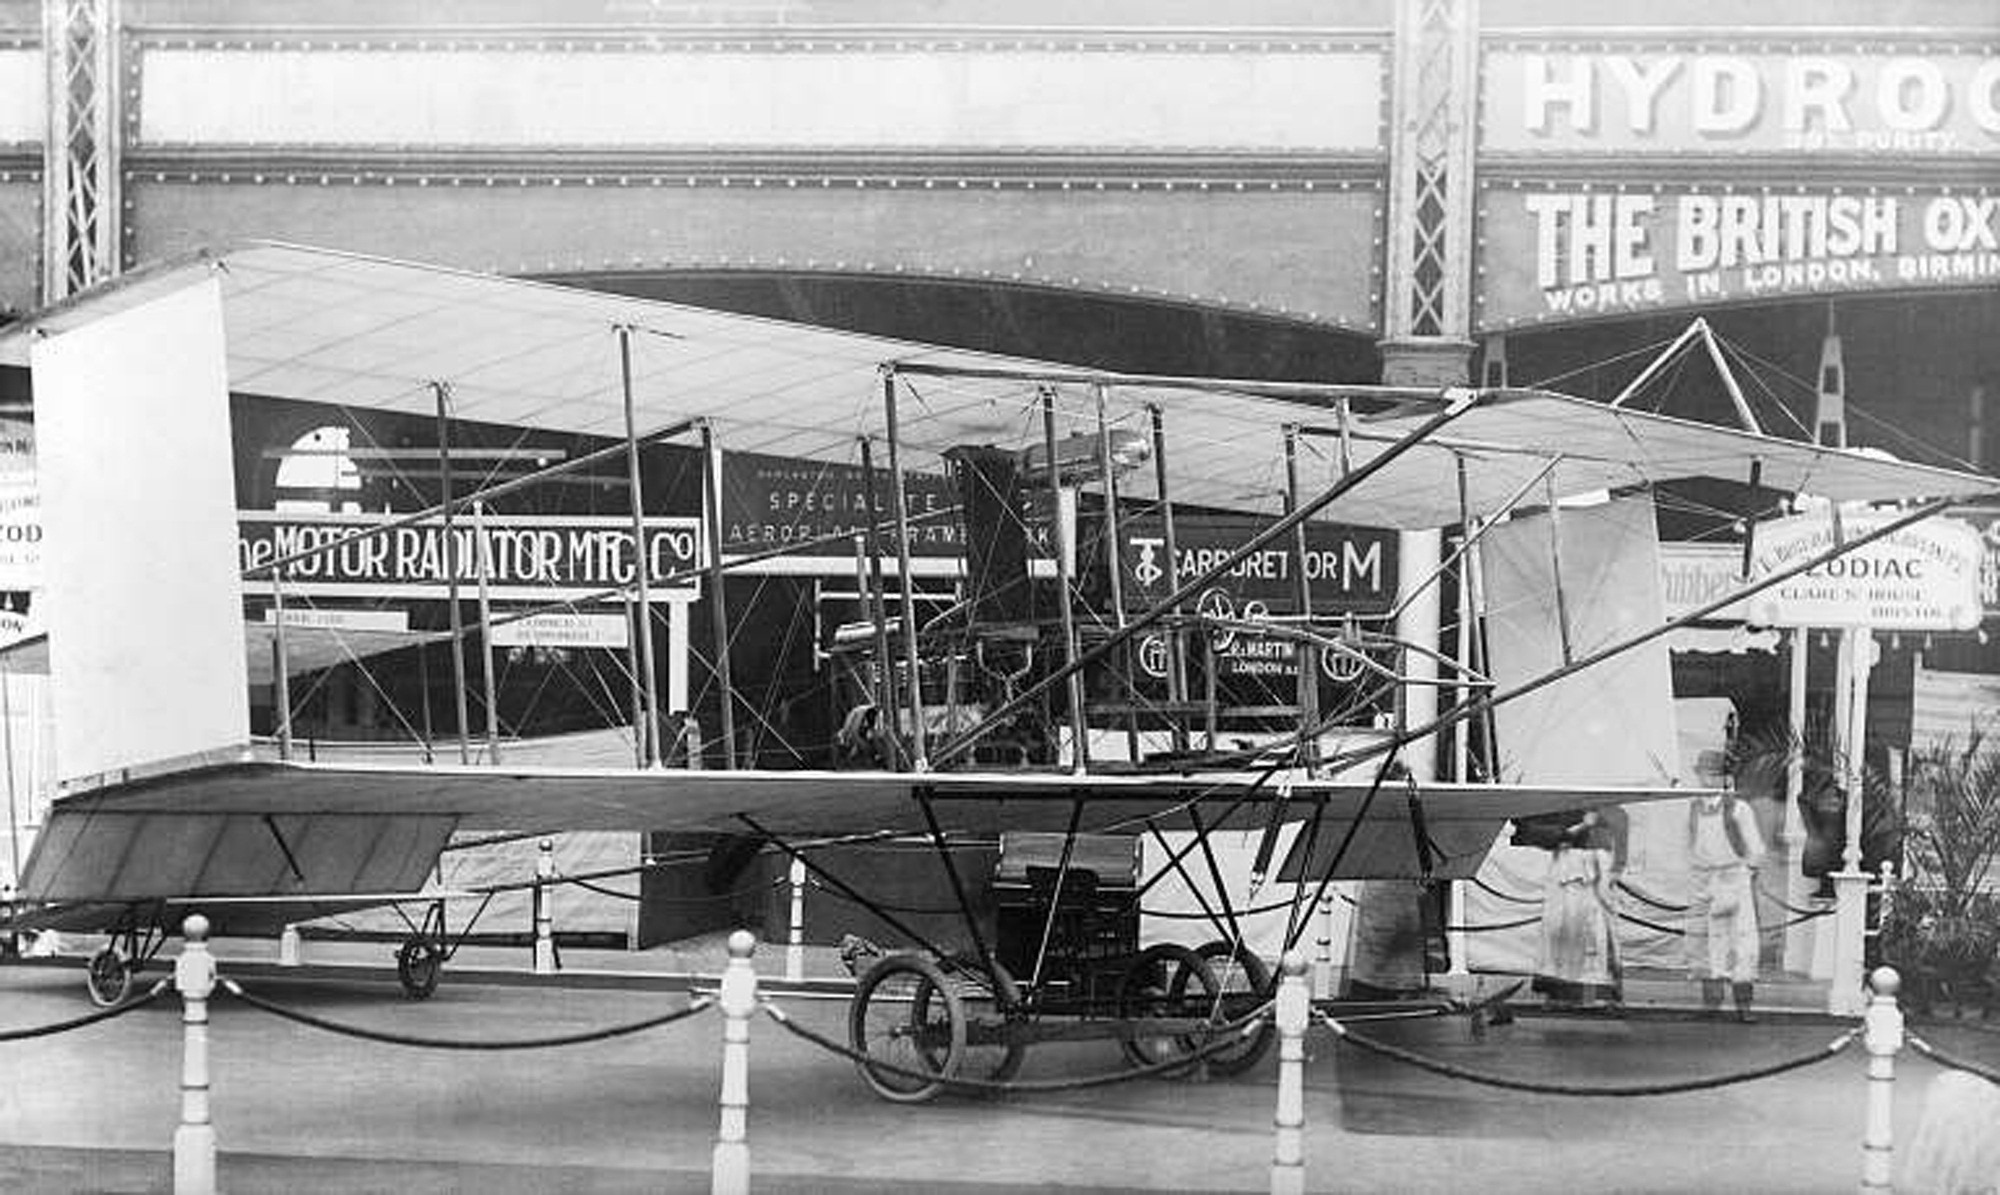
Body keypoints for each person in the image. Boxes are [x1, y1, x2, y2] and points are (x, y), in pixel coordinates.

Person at [1686, 750, 1766, 1021]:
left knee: (1741, 943)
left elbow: (1756, 850)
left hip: (1734, 882)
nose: (1705, 780)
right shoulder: (1694, 808)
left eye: (1712, 775)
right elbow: (1691, 845)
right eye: (1702, 774)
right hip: (1705, 883)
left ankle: (1744, 1007)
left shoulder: (1739, 809)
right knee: (1706, 943)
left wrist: (1744, 875)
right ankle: (1711, 1005)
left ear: (1725, 778)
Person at [1536, 810, 1621, 1011]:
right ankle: (1564, 997)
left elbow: (1603, 887)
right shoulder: (1567, 851)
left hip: (1585, 903)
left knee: (1589, 950)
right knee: (1565, 950)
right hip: (1572, 903)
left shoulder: (1595, 851)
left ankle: (1589, 997)